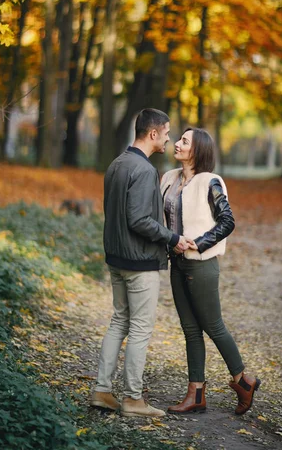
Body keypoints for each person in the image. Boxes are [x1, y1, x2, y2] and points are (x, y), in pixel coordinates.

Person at [91, 108, 192, 418]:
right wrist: (172, 238)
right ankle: (133, 399)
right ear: (152, 134)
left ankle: (102, 391)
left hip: (116, 259)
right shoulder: (145, 170)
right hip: (139, 262)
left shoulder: (117, 164)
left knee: (119, 321)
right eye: (166, 133)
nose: (168, 138)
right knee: (139, 330)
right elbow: (139, 220)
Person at [161, 127, 261, 416]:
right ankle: (196, 394)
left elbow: (227, 221)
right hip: (176, 263)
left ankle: (243, 381)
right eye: (178, 139)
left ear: (198, 150)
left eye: (184, 141)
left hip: (201, 264)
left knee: (213, 325)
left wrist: (199, 243)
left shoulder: (210, 182)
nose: (177, 143)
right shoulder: (168, 178)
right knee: (190, 330)